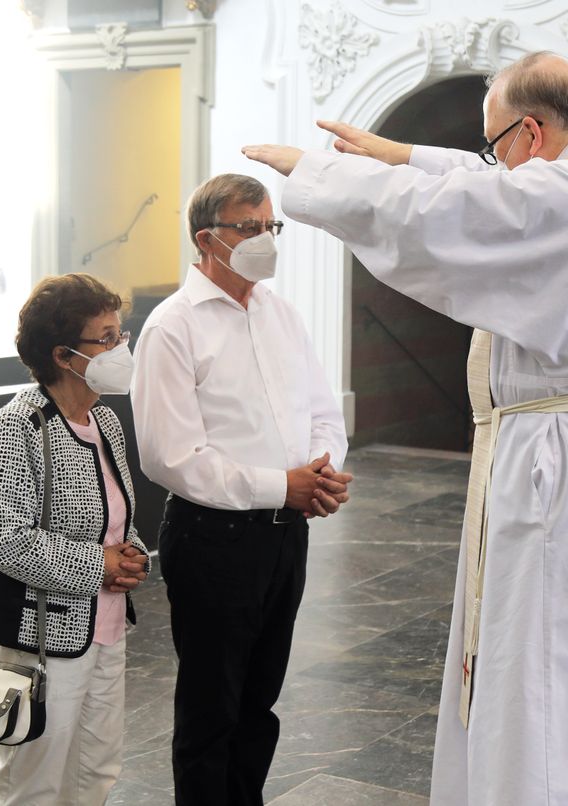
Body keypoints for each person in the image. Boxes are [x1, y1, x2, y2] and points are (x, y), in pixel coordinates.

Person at [242, 52, 568, 805]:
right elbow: (498, 187)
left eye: (495, 144)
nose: (492, 161)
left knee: (546, 664)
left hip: (566, 461)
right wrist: (407, 154)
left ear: (532, 130)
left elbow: (452, 215)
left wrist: (312, 175)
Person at [131, 173, 353, 805]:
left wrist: (322, 469)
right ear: (207, 238)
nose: (265, 239)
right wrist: (280, 485)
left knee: (261, 700)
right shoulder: (173, 327)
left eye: (270, 226)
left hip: (286, 536)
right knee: (211, 708)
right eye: (248, 228)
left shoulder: (281, 313)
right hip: (214, 538)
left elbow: (322, 410)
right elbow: (171, 457)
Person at [0, 272, 152, 805]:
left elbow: (115, 517)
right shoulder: (19, 424)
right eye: (108, 338)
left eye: (122, 335)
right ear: (65, 355)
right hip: (42, 636)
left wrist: (133, 553)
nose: (122, 348)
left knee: (96, 770)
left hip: (106, 627)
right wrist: (101, 564)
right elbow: (4, 539)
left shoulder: (105, 422)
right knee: (36, 780)